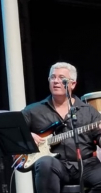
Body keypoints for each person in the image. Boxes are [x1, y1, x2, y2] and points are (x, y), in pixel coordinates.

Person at [21, 62, 101, 193]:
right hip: (55, 165)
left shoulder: (89, 111)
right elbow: (15, 133)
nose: (56, 81)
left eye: (61, 78)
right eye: (53, 77)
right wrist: (27, 136)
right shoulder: (33, 111)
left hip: (86, 164)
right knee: (45, 163)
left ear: (73, 84)